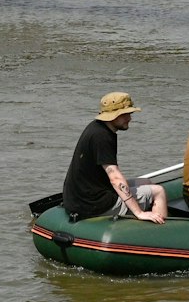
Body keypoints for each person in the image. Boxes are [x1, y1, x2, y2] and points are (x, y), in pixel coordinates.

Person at [63, 92, 166, 223]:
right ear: (113, 116)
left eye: (130, 114)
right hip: (93, 204)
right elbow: (115, 178)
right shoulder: (103, 137)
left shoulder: (96, 127)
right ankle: (161, 231)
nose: (129, 118)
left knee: (147, 181)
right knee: (159, 192)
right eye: (125, 115)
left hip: (83, 197)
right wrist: (139, 212)